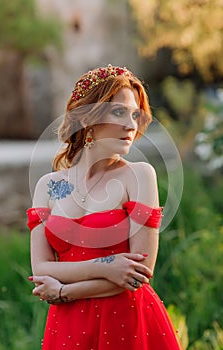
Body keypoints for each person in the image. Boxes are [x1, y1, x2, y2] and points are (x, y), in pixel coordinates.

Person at [27, 64, 183, 350]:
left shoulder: (139, 175)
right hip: (68, 325)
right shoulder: (46, 186)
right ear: (87, 117)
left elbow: (139, 273)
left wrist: (63, 291)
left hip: (126, 319)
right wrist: (108, 266)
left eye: (135, 114)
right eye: (119, 112)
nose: (131, 125)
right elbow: (41, 268)